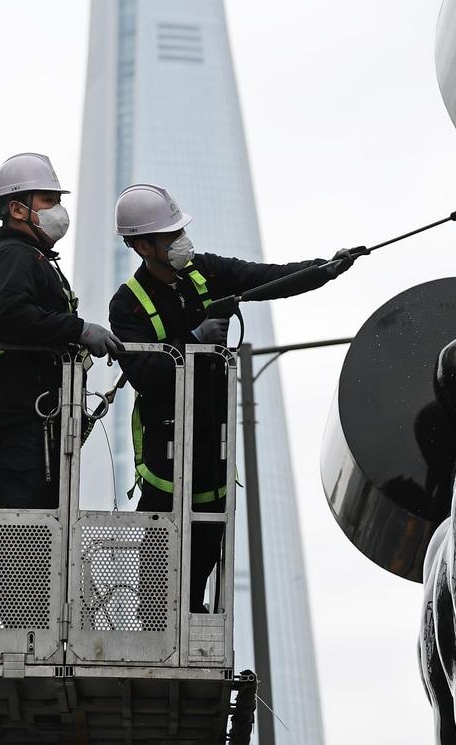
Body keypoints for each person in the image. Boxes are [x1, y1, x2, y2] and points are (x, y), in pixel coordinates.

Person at [108, 182, 356, 611]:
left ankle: (193, 611)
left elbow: (268, 278)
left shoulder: (204, 271)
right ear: (143, 246)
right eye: (170, 236)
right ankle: (157, 625)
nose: (182, 241)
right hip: (166, 449)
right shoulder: (128, 304)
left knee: (207, 538)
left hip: (212, 442)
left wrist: (325, 269)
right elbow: (146, 375)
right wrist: (194, 341)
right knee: (162, 547)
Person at [0, 153, 124, 510]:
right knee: (27, 537)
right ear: (18, 209)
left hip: (35, 418)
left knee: (44, 533)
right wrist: (79, 329)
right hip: (20, 417)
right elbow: (8, 316)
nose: (58, 210)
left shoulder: (33, 258)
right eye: (48, 201)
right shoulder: (12, 256)